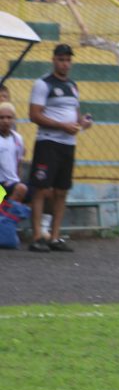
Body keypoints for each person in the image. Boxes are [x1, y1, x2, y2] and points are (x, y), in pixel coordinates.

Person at [27, 44, 92, 253]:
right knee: (41, 189)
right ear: (54, 60)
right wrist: (62, 126)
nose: (65, 64)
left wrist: (83, 122)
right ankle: (37, 236)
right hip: (48, 142)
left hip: (68, 144)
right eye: (61, 59)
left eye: (68, 60)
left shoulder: (72, 85)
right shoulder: (43, 84)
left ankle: (55, 237)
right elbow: (34, 115)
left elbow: (75, 115)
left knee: (62, 190)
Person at [0, 102, 26, 203]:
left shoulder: (18, 138)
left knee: (31, 190)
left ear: (14, 119)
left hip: (12, 183)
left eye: (9, 117)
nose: (5, 121)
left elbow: (19, 162)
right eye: (1, 117)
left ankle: (5, 211)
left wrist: (17, 180)